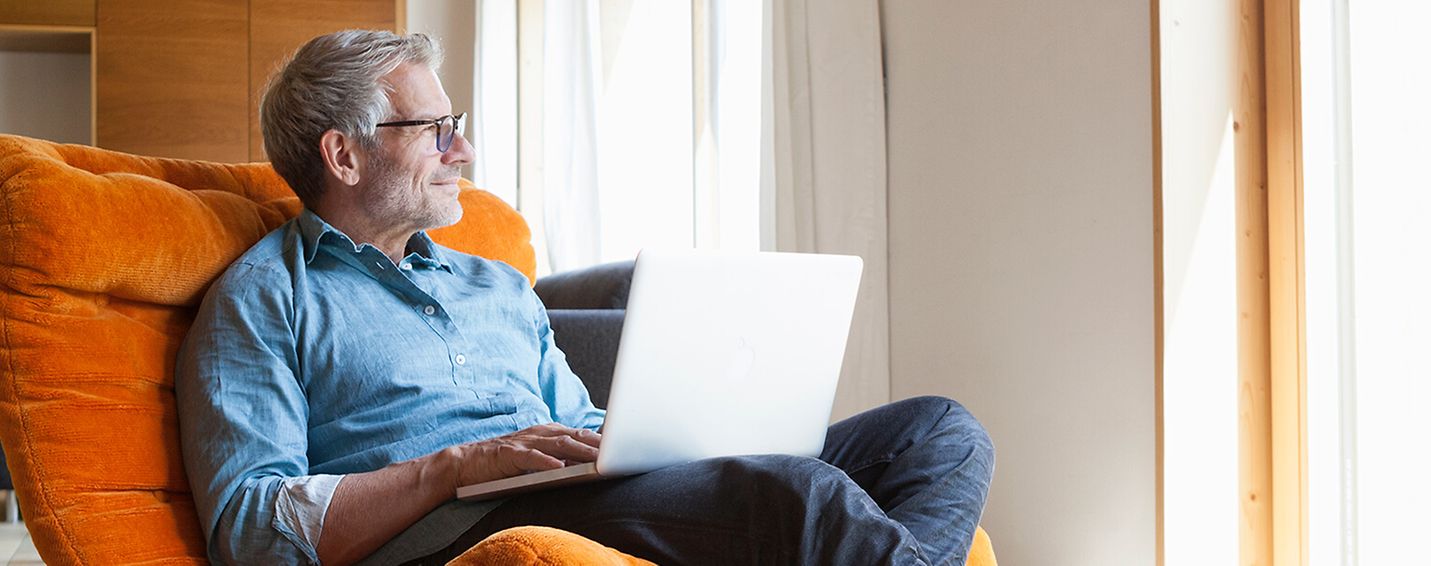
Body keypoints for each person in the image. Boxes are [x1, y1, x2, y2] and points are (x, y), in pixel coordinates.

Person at [176, 29, 994, 566]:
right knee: (800, 496)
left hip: (580, 488)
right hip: (459, 530)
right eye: (435, 130)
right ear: (344, 156)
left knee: (938, 433)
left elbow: (577, 421)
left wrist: (683, 432)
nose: (464, 149)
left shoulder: (494, 285)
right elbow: (252, 530)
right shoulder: (265, 299)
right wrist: (454, 468)